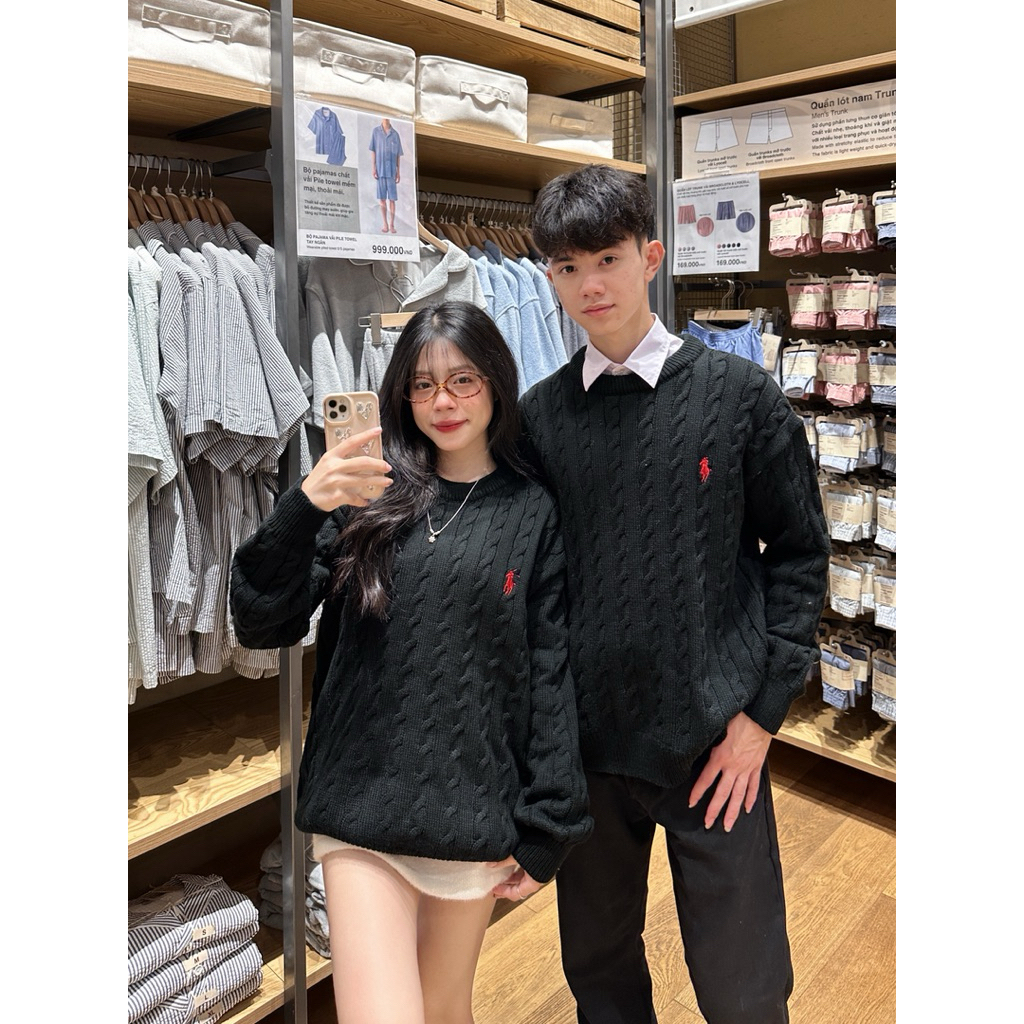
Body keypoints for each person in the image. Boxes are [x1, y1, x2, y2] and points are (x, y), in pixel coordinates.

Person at [520, 163, 830, 1024]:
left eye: (608, 259)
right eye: (568, 267)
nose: (591, 285)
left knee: (744, 987)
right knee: (599, 974)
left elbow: (800, 553)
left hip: (715, 742)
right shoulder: (539, 419)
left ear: (650, 257)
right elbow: (531, 583)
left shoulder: (739, 398)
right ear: (549, 278)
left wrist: (762, 718)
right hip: (588, 751)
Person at [229, 300, 592, 1024]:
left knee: (446, 1006)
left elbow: (546, 670)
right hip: (361, 795)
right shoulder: (368, 490)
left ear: (496, 380)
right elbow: (264, 621)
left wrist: (549, 821)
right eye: (423, 385)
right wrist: (305, 505)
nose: (443, 402)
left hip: (471, 801)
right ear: (401, 394)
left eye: (462, 380)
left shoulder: (531, 512)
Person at [369, 117, 403, 233]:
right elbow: (373, 150)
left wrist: (398, 171)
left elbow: (398, 155)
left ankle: (392, 224)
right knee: (382, 199)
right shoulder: (376, 132)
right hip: (380, 170)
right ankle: (385, 224)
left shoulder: (395, 135)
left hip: (392, 172)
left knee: (392, 199)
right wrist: (373, 168)